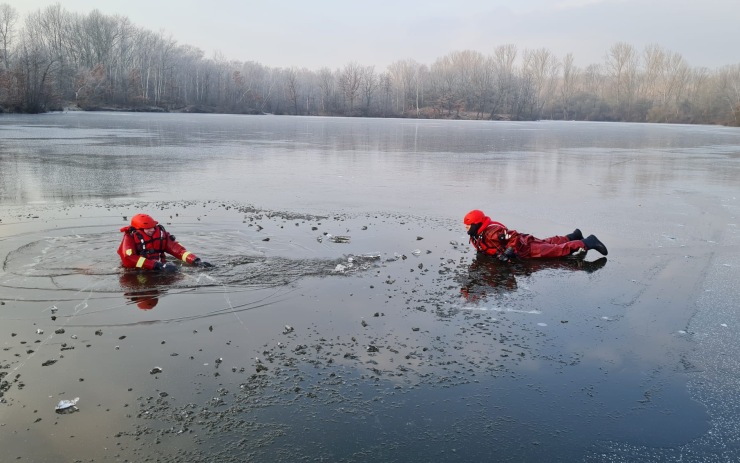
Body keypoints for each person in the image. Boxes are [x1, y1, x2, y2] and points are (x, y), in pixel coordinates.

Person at [463, 209, 608, 261]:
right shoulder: (477, 235)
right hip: (525, 243)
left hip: (525, 248)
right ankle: (573, 235)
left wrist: (509, 251)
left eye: (469, 225)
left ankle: (588, 242)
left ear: (476, 224)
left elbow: (512, 236)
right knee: (548, 242)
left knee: (556, 251)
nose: (466, 227)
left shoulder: (492, 233)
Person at [117, 213, 213, 271]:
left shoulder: (161, 234)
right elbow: (129, 259)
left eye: (153, 227)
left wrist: (196, 261)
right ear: (138, 230)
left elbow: (178, 250)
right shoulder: (130, 238)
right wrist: (157, 266)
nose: (152, 230)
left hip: (160, 266)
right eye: (147, 229)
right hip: (139, 270)